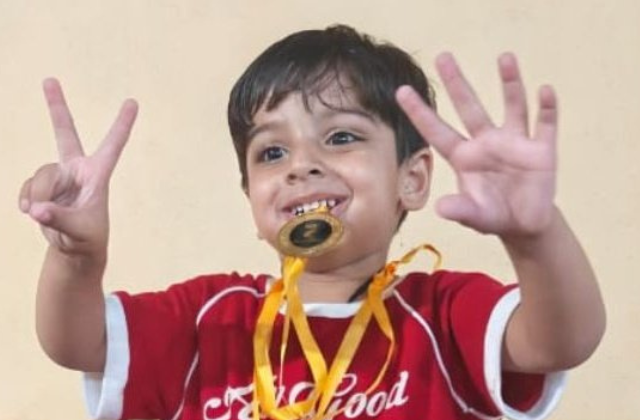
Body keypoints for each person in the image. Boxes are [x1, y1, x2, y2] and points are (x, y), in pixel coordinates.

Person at [19, 25, 605, 420]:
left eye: (341, 137)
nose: (301, 165)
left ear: (413, 179)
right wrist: (76, 257)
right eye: (272, 152)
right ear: (250, 197)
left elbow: (561, 341)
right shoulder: (212, 317)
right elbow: (79, 343)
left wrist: (535, 238)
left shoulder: (444, 313)